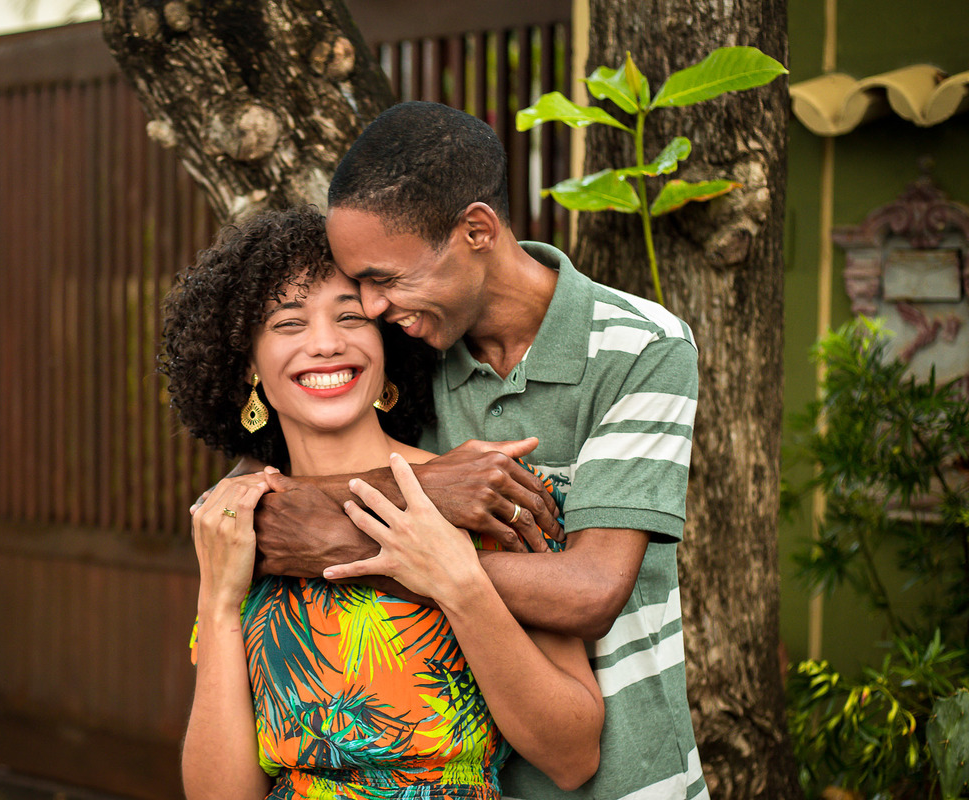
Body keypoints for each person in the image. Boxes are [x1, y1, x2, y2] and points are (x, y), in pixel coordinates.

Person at [251, 102, 706, 800]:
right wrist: (428, 491)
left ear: (476, 231)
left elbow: (589, 591)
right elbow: (267, 504)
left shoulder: (642, 348)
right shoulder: (413, 352)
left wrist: (358, 548)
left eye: (385, 278)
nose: (369, 308)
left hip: (626, 777)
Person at [160, 206, 604, 800]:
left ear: (388, 346)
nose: (325, 344)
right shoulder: (238, 523)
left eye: (350, 317)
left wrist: (458, 583)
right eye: (288, 324)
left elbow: (574, 757)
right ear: (248, 367)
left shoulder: (485, 495)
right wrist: (218, 606)